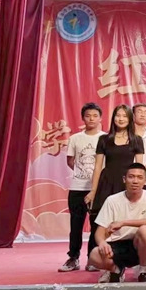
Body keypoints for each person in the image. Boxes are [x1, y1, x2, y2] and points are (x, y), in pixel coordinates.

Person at [86, 104, 144, 282]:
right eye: (118, 115)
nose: (121, 119)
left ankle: (122, 263)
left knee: (123, 223)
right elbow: (97, 167)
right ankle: (107, 265)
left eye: (124, 116)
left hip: (126, 184)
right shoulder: (104, 139)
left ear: (130, 119)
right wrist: (93, 191)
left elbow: (139, 167)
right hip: (106, 183)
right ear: (113, 118)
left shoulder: (136, 140)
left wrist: (140, 188)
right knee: (103, 223)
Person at [88, 163, 146, 283]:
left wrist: (123, 223)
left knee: (145, 230)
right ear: (124, 179)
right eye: (131, 177)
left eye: (139, 177)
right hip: (116, 244)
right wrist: (102, 243)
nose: (135, 181)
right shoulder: (112, 200)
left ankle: (143, 272)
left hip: (140, 245)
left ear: (145, 181)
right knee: (94, 255)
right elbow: (100, 231)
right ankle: (116, 270)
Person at [59, 103, 105, 273]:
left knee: (96, 225)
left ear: (100, 118)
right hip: (77, 187)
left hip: (98, 189)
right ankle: (73, 257)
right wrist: (82, 173)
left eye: (95, 115)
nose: (91, 119)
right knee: (76, 224)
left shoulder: (106, 138)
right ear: (83, 118)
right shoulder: (75, 138)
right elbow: (70, 161)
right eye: (88, 115)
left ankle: (92, 259)